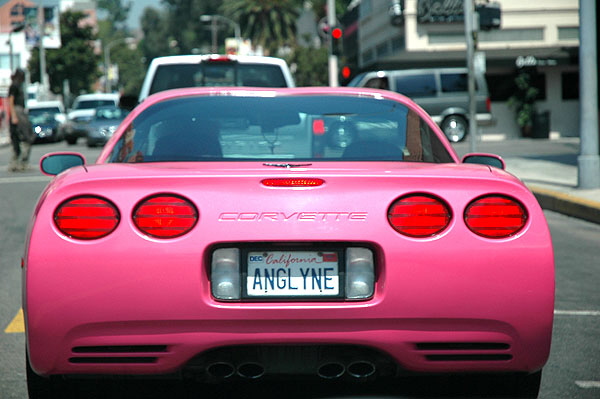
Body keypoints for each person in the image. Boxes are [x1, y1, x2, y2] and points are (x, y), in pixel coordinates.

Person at [8, 68, 35, 172]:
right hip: (18, 111)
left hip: (20, 111)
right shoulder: (14, 86)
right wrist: (14, 116)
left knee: (20, 137)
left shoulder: (18, 85)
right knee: (26, 136)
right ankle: (20, 162)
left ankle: (19, 162)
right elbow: (11, 100)